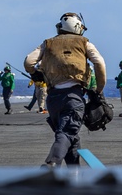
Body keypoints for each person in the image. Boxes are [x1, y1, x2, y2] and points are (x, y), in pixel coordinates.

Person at [23, 12, 107, 167]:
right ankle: (52, 164)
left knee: (71, 137)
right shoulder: (84, 43)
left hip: (53, 98)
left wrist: (35, 74)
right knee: (67, 132)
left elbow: (29, 62)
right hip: (73, 97)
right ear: (78, 27)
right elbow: (99, 63)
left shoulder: (48, 43)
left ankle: (74, 173)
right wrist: (99, 89)